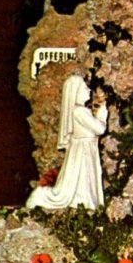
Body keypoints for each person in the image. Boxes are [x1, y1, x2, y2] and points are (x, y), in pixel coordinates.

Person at [26, 74, 107, 210]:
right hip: (83, 151)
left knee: (84, 182)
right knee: (82, 181)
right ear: (75, 91)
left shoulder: (80, 111)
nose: (88, 90)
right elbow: (99, 129)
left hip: (84, 149)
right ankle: (81, 205)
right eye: (84, 87)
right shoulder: (79, 111)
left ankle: (85, 206)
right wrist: (102, 113)